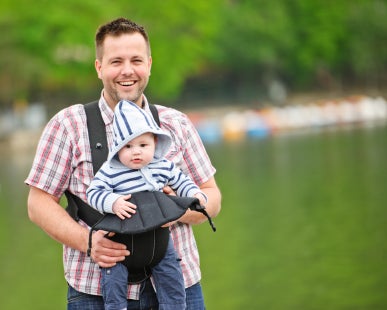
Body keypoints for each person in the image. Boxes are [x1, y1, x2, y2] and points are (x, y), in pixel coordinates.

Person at [25, 17, 221, 310]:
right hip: (94, 290)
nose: (127, 71)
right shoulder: (67, 125)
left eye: (136, 60)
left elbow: (213, 198)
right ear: (99, 67)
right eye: (116, 61)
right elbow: (37, 203)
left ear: (150, 64)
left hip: (180, 286)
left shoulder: (176, 123)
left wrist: (174, 210)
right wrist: (88, 242)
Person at [86, 100, 208, 310]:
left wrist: (195, 194)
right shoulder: (110, 170)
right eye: (128, 146)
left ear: (154, 144)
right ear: (116, 148)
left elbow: (181, 181)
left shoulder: (162, 166)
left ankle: (174, 306)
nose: (136, 152)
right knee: (113, 276)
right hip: (122, 240)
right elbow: (93, 193)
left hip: (159, 238)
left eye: (143, 145)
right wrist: (113, 202)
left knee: (170, 272)